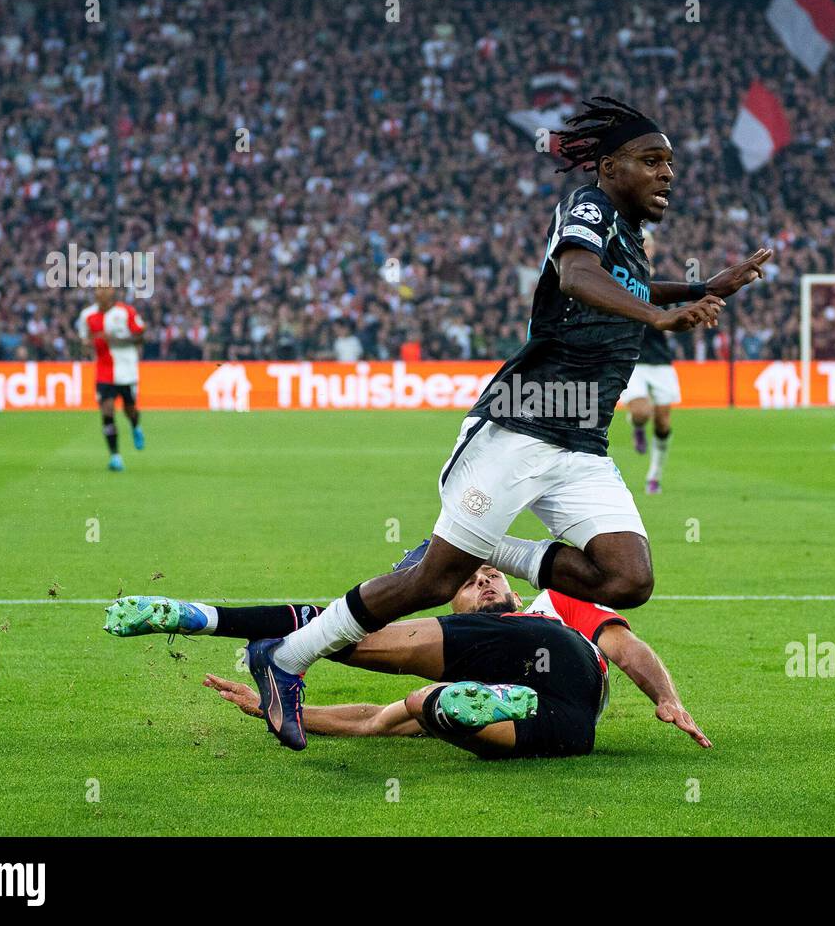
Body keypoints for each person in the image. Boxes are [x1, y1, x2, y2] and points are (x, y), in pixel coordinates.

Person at [222, 96, 770, 749]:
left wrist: (706, 286)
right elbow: (575, 273)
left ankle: (492, 547)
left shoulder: (628, 236)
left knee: (629, 578)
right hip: (522, 424)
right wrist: (658, 320)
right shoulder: (588, 209)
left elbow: (631, 286)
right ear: (609, 165)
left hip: (579, 441)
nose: (666, 174)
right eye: (651, 161)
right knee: (432, 580)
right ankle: (283, 659)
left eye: (671, 164)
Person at [103, 552, 710, 759]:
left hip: (566, 666)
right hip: (565, 727)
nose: (487, 579)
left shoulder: (552, 605)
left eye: (492, 575)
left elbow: (625, 647)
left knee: (354, 634)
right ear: (454, 604)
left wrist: (667, 699)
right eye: (472, 581)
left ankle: (213, 621)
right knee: (423, 707)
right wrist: (276, 713)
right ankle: (476, 702)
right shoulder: (461, 644)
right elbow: (373, 720)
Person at [621, 230, 681, 494]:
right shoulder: (620, 279)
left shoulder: (664, 284)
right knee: (642, 412)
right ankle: (636, 426)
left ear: (653, 250)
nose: (643, 249)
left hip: (660, 360)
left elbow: (677, 318)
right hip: (632, 358)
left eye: (646, 245)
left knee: (663, 423)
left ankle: (654, 475)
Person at [76, 283, 146, 472]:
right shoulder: (87, 316)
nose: (101, 291)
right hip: (103, 372)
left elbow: (141, 337)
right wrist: (87, 344)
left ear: (112, 291)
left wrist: (114, 340)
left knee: (130, 409)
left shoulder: (126, 312)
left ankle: (135, 426)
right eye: (98, 288)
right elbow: (84, 342)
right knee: (107, 411)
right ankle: (115, 456)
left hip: (126, 370)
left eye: (104, 288)